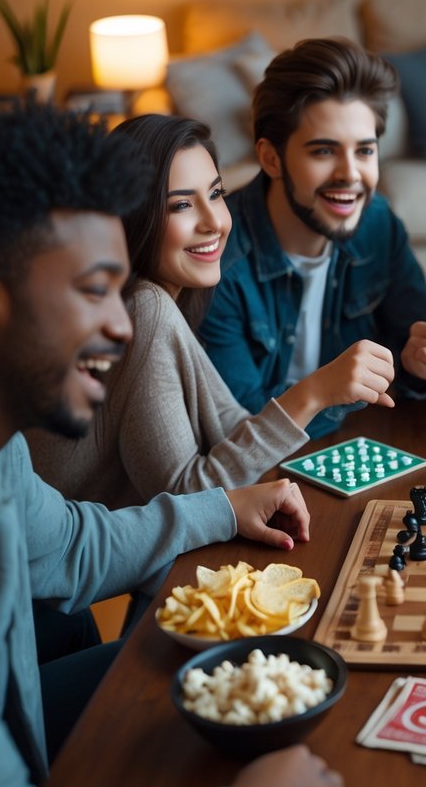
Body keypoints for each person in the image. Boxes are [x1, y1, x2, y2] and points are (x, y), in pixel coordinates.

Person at [0, 103, 354, 787]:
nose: (117, 322)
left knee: (281, 683)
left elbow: (70, 544)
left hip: (27, 702)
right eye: (92, 290)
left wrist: (224, 506)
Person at [28, 114, 394, 509]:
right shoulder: (142, 308)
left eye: (216, 194)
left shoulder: (152, 299)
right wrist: (314, 392)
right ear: (130, 218)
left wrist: (332, 391)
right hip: (90, 566)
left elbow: (229, 427)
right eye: (182, 204)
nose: (214, 222)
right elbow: (186, 497)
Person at [200, 37, 426, 439]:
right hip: (257, 479)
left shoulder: (377, 224)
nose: (350, 175)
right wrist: (333, 395)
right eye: (324, 152)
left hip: (355, 446)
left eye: (364, 151)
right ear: (271, 158)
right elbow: (239, 429)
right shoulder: (219, 259)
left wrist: (423, 363)